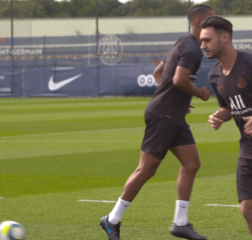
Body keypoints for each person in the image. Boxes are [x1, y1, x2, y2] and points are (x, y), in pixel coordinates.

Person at [99, 5, 214, 240]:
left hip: (173, 115)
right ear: (200, 23)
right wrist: (199, 93)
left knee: (191, 164)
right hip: (163, 116)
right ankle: (112, 220)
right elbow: (179, 79)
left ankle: (180, 223)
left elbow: (158, 73)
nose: (215, 25)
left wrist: (180, 100)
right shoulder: (193, 49)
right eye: (212, 21)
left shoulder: (183, 42)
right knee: (146, 169)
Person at [201, 15, 252, 235]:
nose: (202, 45)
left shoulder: (249, 64)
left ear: (224, 38)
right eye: (201, 40)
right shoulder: (214, 76)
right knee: (247, 208)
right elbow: (229, 107)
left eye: (207, 40)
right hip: (247, 149)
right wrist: (221, 115)